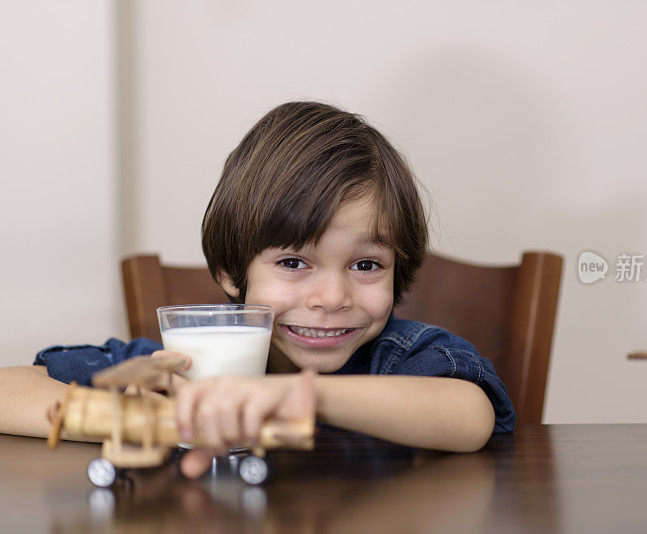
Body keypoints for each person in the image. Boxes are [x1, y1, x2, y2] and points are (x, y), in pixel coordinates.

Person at [0, 101, 515, 477]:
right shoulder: (185, 366)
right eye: (294, 262)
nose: (332, 298)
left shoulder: (406, 357)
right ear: (229, 271)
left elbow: (469, 417)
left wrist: (283, 396)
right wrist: (154, 417)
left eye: (365, 264)